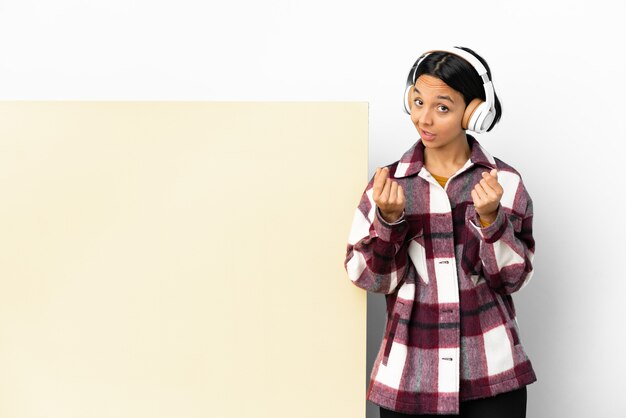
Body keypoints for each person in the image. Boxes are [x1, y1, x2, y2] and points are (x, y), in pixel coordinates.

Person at [344, 47, 536, 417]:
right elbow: (369, 279)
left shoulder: (505, 184)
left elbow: (512, 279)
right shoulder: (388, 184)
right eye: (417, 101)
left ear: (475, 111)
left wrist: (491, 220)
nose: (424, 118)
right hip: (410, 379)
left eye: (442, 107)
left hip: (492, 380)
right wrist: (388, 222)